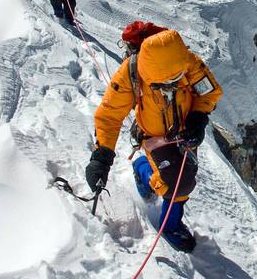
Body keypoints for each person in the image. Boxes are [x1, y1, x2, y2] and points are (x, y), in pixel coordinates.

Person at [85, 24, 223, 252]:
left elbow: (209, 92)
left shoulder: (187, 61)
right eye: (161, 84)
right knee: (178, 184)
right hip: (153, 135)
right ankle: (170, 224)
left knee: (187, 173)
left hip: (185, 130)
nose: (169, 87)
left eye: (175, 80)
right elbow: (109, 115)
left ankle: (142, 170)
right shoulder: (131, 73)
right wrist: (101, 156)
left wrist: (198, 117)